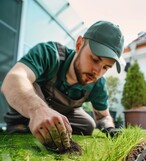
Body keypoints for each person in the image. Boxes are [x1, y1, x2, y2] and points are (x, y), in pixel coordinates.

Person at [1, 20, 124, 151]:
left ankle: (55, 125)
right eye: (94, 59)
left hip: (65, 114)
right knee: (27, 85)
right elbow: (13, 79)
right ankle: (24, 124)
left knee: (88, 124)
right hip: (27, 113)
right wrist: (38, 111)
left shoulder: (98, 84)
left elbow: (103, 116)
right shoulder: (50, 53)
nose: (97, 72)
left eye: (106, 67)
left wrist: (110, 128)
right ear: (79, 45)